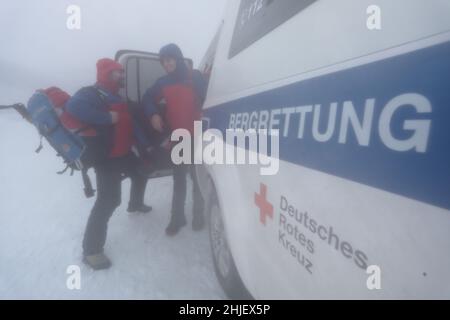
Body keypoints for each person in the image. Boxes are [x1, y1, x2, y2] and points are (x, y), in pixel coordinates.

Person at [66, 58, 151, 270]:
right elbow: (72, 106)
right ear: (105, 73)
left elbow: (128, 123)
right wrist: (105, 118)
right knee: (109, 200)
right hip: (107, 158)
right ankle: (91, 250)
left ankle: (136, 203)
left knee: (142, 172)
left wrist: (144, 144)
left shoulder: (117, 96)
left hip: (124, 153)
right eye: (117, 73)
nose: (121, 76)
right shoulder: (91, 93)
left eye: (122, 72)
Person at [142, 43, 207, 236]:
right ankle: (177, 217)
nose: (166, 64)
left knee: (197, 179)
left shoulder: (195, 77)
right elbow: (146, 98)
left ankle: (198, 215)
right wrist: (153, 114)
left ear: (177, 59)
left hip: (198, 136)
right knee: (179, 179)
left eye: (169, 60)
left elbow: (209, 97)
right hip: (179, 138)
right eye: (163, 62)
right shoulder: (163, 82)